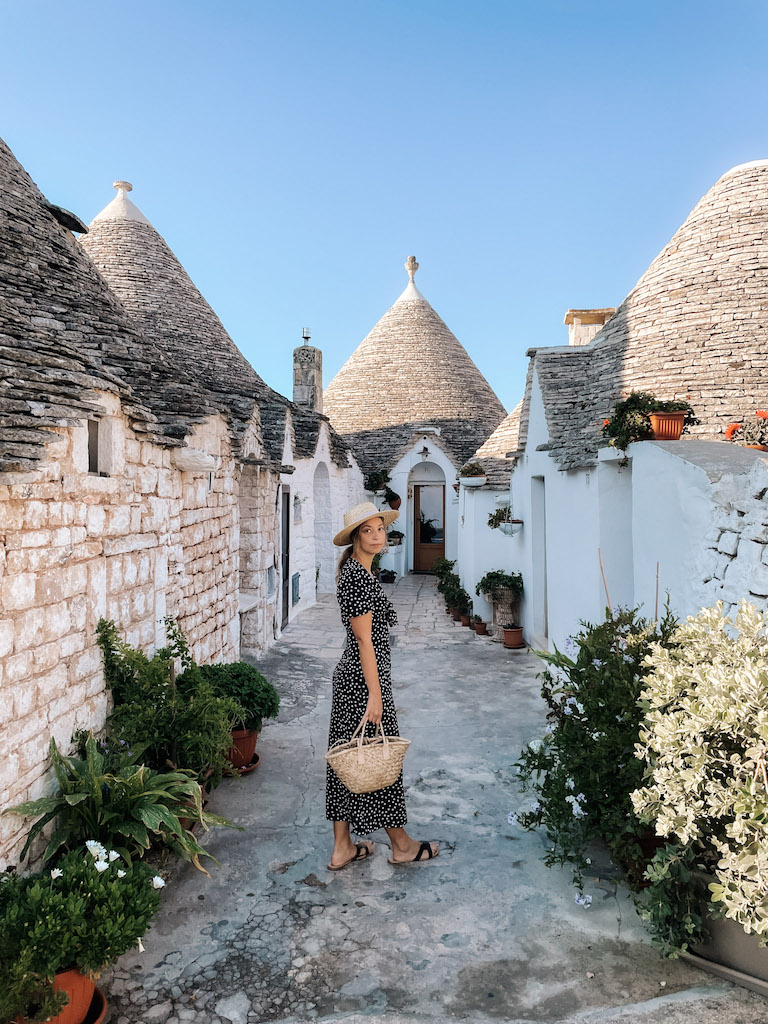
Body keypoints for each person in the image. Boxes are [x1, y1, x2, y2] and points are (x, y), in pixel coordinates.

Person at [326, 500, 439, 869]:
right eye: (367, 531)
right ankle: (402, 845)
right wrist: (376, 695)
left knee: (347, 760)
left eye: (380, 529)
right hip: (362, 684)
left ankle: (343, 847)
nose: (377, 536)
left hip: (355, 681)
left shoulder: (361, 573)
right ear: (355, 538)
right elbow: (364, 641)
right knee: (381, 761)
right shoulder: (357, 578)